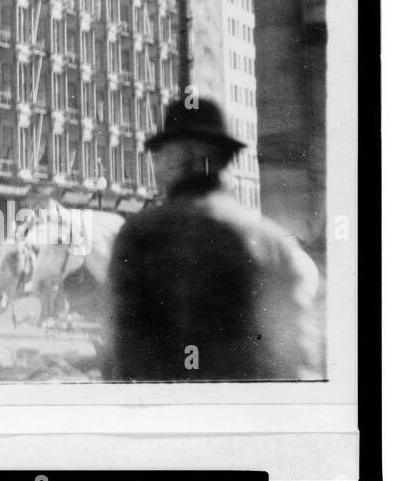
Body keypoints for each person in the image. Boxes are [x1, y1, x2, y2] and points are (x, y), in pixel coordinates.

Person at [104, 97, 321, 381]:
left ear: (170, 161)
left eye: (162, 154)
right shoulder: (272, 242)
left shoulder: (139, 235)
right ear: (224, 160)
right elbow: (297, 360)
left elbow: (122, 352)